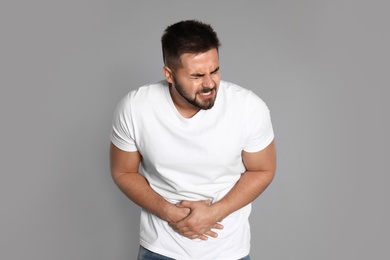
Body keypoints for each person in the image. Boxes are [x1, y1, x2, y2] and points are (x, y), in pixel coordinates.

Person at [109, 20, 276, 260]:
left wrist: (215, 213)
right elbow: (123, 172)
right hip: (161, 249)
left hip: (229, 251)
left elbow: (263, 169)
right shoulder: (135, 108)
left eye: (215, 71)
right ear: (169, 74)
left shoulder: (249, 107)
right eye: (197, 75)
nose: (209, 84)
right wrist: (169, 212)